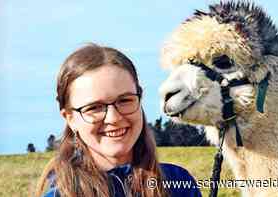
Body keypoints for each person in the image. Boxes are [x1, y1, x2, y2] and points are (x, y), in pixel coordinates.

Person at [35, 44, 202, 197]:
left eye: (125, 100)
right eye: (94, 107)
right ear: (70, 119)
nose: (114, 118)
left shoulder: (179, 184)